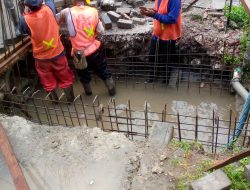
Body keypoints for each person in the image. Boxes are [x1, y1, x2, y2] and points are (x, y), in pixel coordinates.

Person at [18, 0, 75, 102]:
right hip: (57, 53)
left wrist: (26, 12)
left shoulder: (24, 20)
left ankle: (54, 101)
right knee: (64, 75)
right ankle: (70, 99)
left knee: (47, 79)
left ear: (26, 5)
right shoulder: (49, 9)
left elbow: (22, 30)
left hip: (41, 57)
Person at [56, 0, 116, 96]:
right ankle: (112, 92)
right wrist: (90, 32)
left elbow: (55, 21)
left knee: (83, 75)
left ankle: (88, 93)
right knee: (103, 71)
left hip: (78, 53)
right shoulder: (93, 11)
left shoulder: (66, 12)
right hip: (93, 50)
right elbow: (101, 31)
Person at [140, 0, 182, 84]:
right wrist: (149, 12)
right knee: (152, 57)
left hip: (168, 36)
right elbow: (158, 11)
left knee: (166, 61)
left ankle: (165, 81)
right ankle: (152, 78)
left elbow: (172, 18)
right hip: (157, 33)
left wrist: (154, 15)